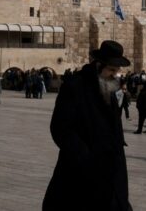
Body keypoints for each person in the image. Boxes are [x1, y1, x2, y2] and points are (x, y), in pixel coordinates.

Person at [42, 40, 133, 211]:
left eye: (117, 71)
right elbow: (60, 129)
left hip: (111, 169)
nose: (116, 75)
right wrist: (86, 157)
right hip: (81, 172)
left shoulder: (109, 86)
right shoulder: (75, 86)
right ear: (99, 65)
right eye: (112, 70)